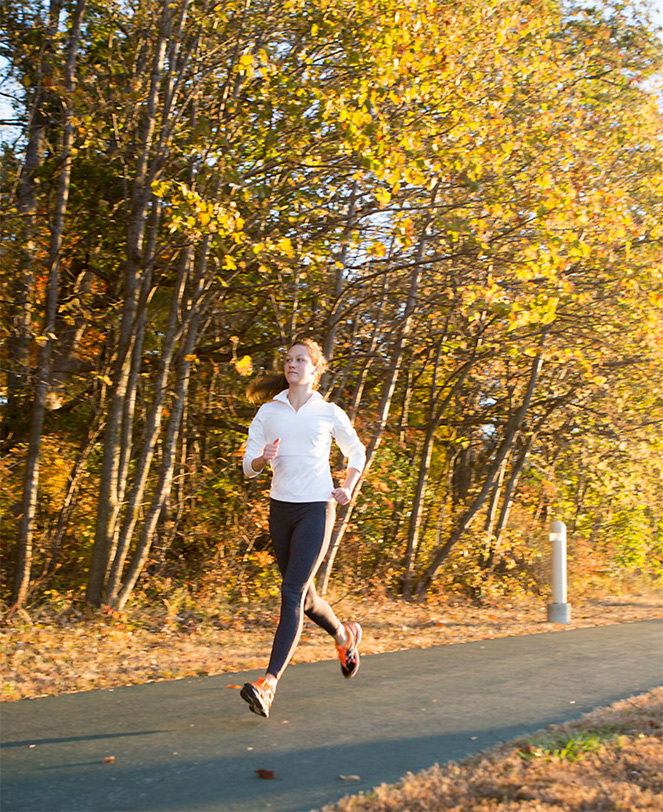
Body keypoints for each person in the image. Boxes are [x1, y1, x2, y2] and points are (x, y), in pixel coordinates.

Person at [239, 338, 366, 718]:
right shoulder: (268, 411)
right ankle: (344, 637)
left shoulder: (328, 412)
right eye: (288, 359)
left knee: (291, 591)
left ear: (315, 369)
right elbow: (248, 465)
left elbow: (356, 452)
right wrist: (262, 458)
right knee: (306, 598)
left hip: (315, 507)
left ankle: (269, 683)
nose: (292, 364)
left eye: (300, 360)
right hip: (281, 509)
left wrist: (347, 486)